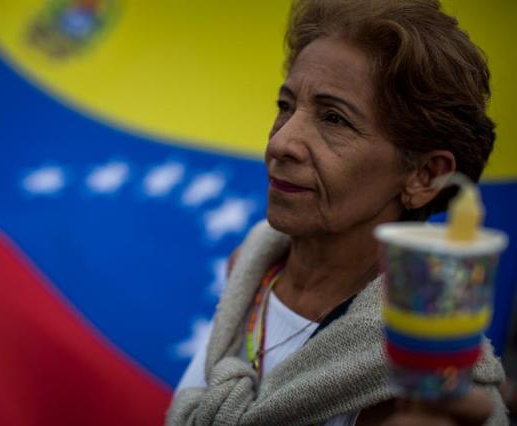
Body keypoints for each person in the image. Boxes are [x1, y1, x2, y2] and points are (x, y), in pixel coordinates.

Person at [167, 0, 508, 425]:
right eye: (286, 105)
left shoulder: (425, 375)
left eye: (335, 119)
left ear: (425, 176)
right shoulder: (250, 271)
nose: (280, 144)